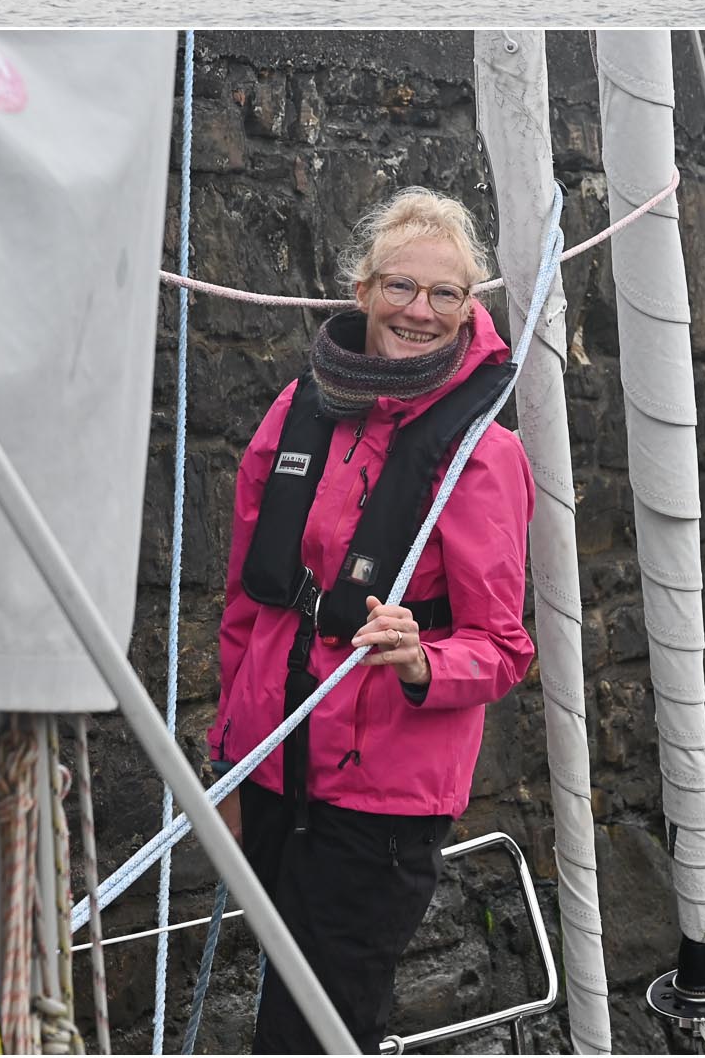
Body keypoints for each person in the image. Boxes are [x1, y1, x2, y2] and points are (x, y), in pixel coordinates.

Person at [214, 190, 534, 1053]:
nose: (418, 311)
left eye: (444, 295)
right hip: (273, 767)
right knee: (286, 1011)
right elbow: (251, 604)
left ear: (471, 309)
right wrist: (229, 758)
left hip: (382, 798)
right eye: (400, 286)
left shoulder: (482, 453)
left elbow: (502, 649)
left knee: (318, 1029)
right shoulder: (297, 412)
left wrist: (420, 657)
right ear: (362, 291)